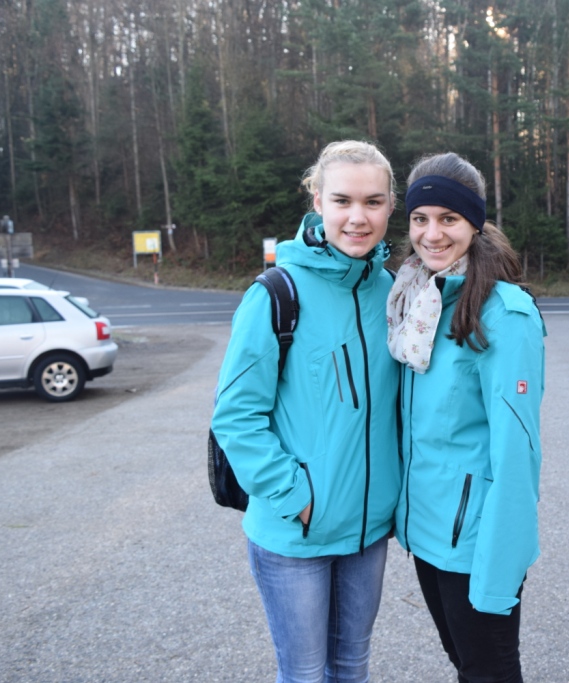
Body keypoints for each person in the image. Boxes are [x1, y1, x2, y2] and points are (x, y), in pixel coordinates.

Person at [211, 140, 400, 682]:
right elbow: (236, 415)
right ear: (317, 201)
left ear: (390, 207)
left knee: (352, 668)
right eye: (342, 200)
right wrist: (294, 495)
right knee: (305, 674)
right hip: (297, 533)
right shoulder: (276, 294)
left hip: (368, 532)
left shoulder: (391, 291)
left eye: (373, 202)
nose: (358, 217)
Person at [386, 153, 545, 683]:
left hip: (474, 540)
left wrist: (500, 572)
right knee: (465, 664)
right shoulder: (414, 298)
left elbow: (517, 455)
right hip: (428, 530)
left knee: (489, 672)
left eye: (448, 219)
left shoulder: (505, 314)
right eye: (420, 218)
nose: (431, 234)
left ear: (474, 222)